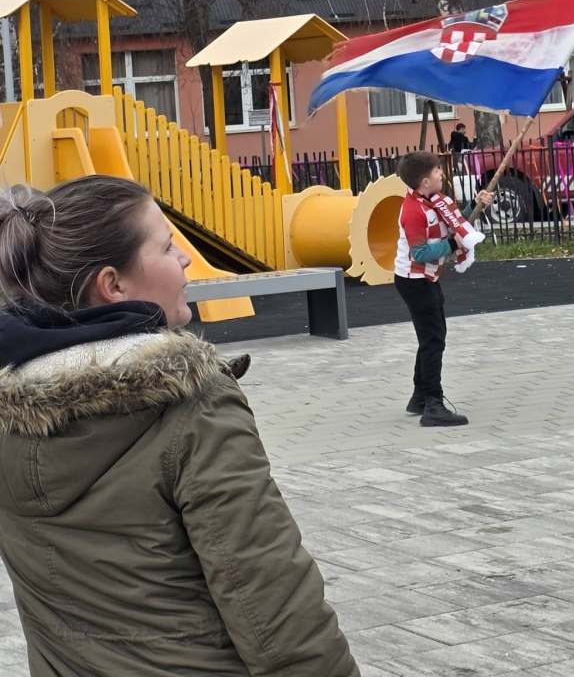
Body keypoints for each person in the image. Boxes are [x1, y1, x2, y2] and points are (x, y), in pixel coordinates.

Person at [0, 175, 359, 677]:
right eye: (168, 246)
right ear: (113, 285)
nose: (186, 258)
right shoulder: (189, 407)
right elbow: (273, 604)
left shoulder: (10, 416)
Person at [394, 152, 492, 427]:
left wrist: (476, 205)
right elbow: (420, 253)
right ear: (425, 181)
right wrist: (452, 245)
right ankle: (433, 405)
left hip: (426, 279)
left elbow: (454, 223)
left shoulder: (433, 200)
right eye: (437, 171)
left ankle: (419, 397)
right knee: (433, 340)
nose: (442, 174)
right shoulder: (413, 211)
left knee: (432, 337)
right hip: (415, 281)